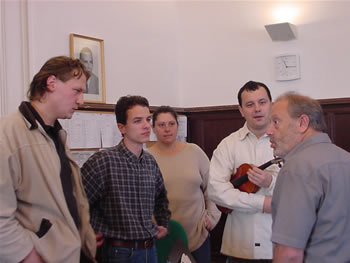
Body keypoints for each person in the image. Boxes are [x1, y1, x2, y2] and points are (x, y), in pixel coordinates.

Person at [0, 56, 97, 262]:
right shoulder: (7, 134)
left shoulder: (56, 135)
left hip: (73, 253)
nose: (81, 100)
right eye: (77, 91)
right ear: (51, 83)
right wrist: (28, 256)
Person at [81, 95, 171, 263]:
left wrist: (163, 223)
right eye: (137, 121)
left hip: (150, 249)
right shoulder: (102, 162)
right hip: (119, 252)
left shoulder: (150, 162)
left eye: (148, 119)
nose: (146, 126)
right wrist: (86, 231)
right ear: (122, 127)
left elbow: (161, 198)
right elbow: (78, 202)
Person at [267, 92, 350, 263]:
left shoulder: (297, 168)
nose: (269, 131)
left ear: (302, 123)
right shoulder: (346, 159)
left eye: (276, 122)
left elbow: (289, 255)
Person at [208, 81, 280, 263]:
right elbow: (216, 190)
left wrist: (270, 182)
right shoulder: (228, 145)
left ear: (271, 104)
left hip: (281, 245)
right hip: (240, 247)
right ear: (241, 110)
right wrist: (262, 203)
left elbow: (300, 188)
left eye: (262, 102)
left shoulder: (289, 140)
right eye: (250, 104)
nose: (257, 109)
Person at [147, 106, 221, 263]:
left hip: (197, 234)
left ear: (177, 126)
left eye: (171, 124)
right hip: (162, 236)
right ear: (153, 128)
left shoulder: (194, 151)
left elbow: (212, 186)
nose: (167, 129)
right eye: (161, 125)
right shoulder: (146, 157)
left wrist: (213, 217)